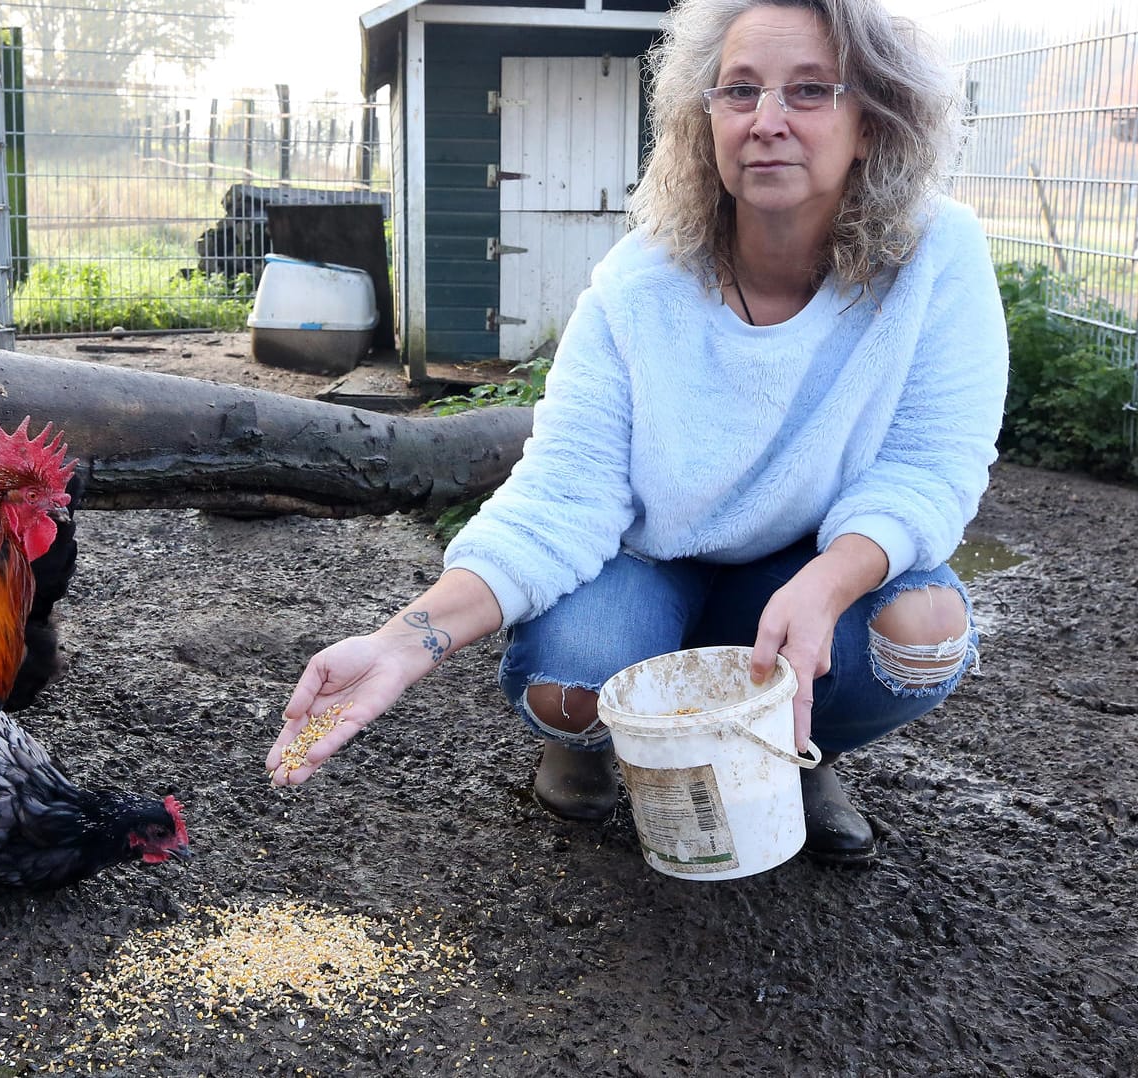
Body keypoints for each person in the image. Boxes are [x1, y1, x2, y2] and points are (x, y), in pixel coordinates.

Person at [266, 0, 1006, 864]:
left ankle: (805, 752)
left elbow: (930, 463)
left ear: (872, 123)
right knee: (568, 682)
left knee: (920, 633)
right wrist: (404, 641)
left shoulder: (934, 257)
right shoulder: (640, 284)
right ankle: (595, 742)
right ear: (705, 117)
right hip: (645, 561)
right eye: (739, 91)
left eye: (809, 92)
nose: (766, 121)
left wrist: (830, 584)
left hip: (805, 565)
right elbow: (563, 494)